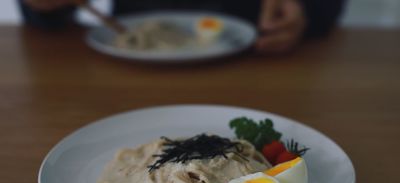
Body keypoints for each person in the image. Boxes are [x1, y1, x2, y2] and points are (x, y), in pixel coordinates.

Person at [18, 0, 346, 54]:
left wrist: (306, 13)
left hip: (258, 61)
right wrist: (44, 8)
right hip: (123, 71)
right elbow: (44, 17)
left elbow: (325, 8)